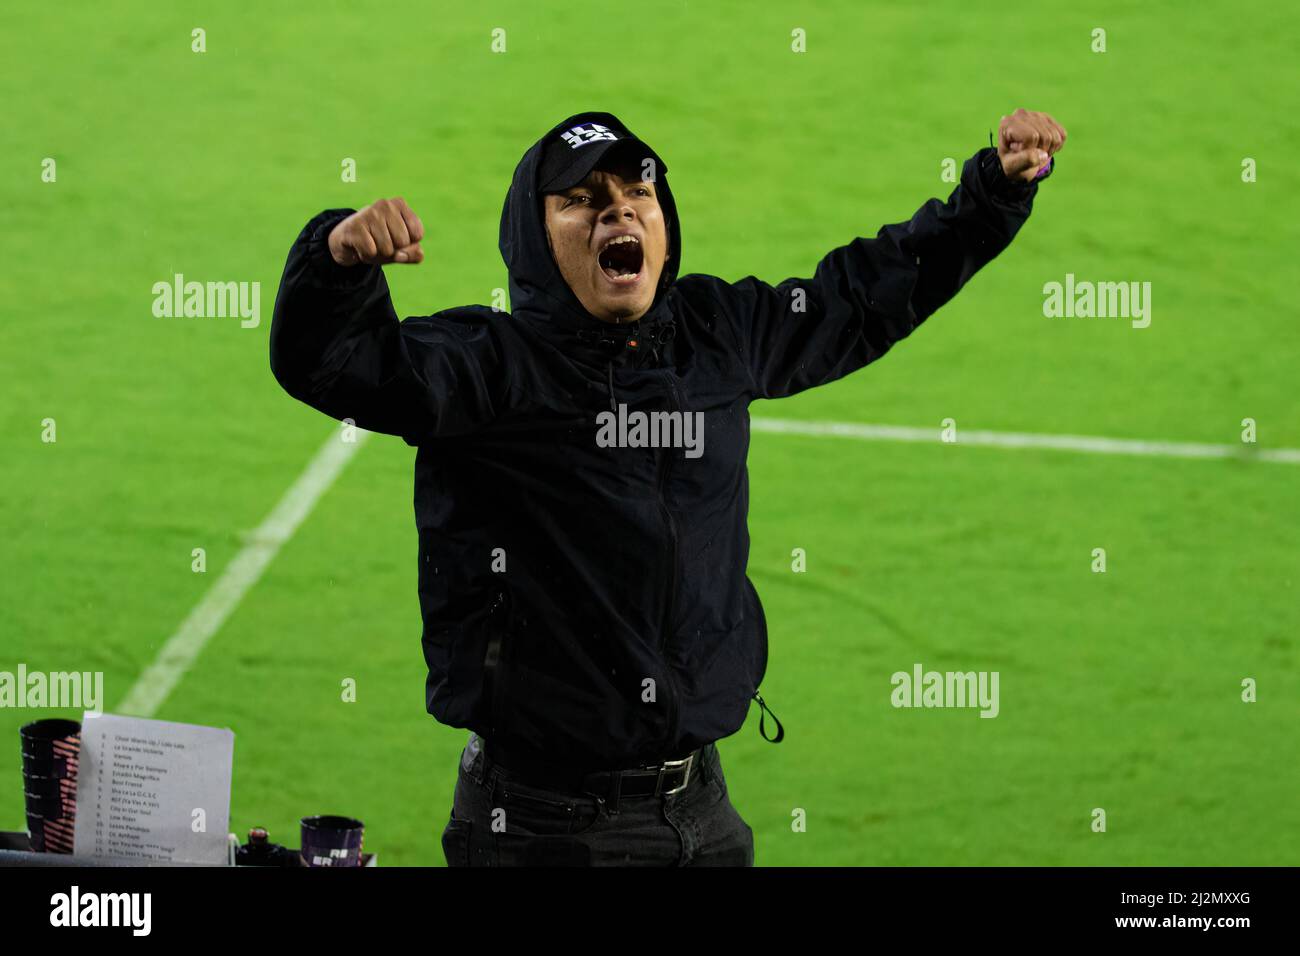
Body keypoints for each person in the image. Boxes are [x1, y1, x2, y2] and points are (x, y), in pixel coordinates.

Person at [269, 108, 1066, 866]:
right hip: (542, 829)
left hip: (704, 812)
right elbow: (335, 363)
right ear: (536, 240)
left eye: (637, 193)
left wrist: (993, 193)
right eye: (581, 201)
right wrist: (336, 262)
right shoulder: (488, 365)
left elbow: (863, 296)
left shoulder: (717, 332)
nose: (618, 213)